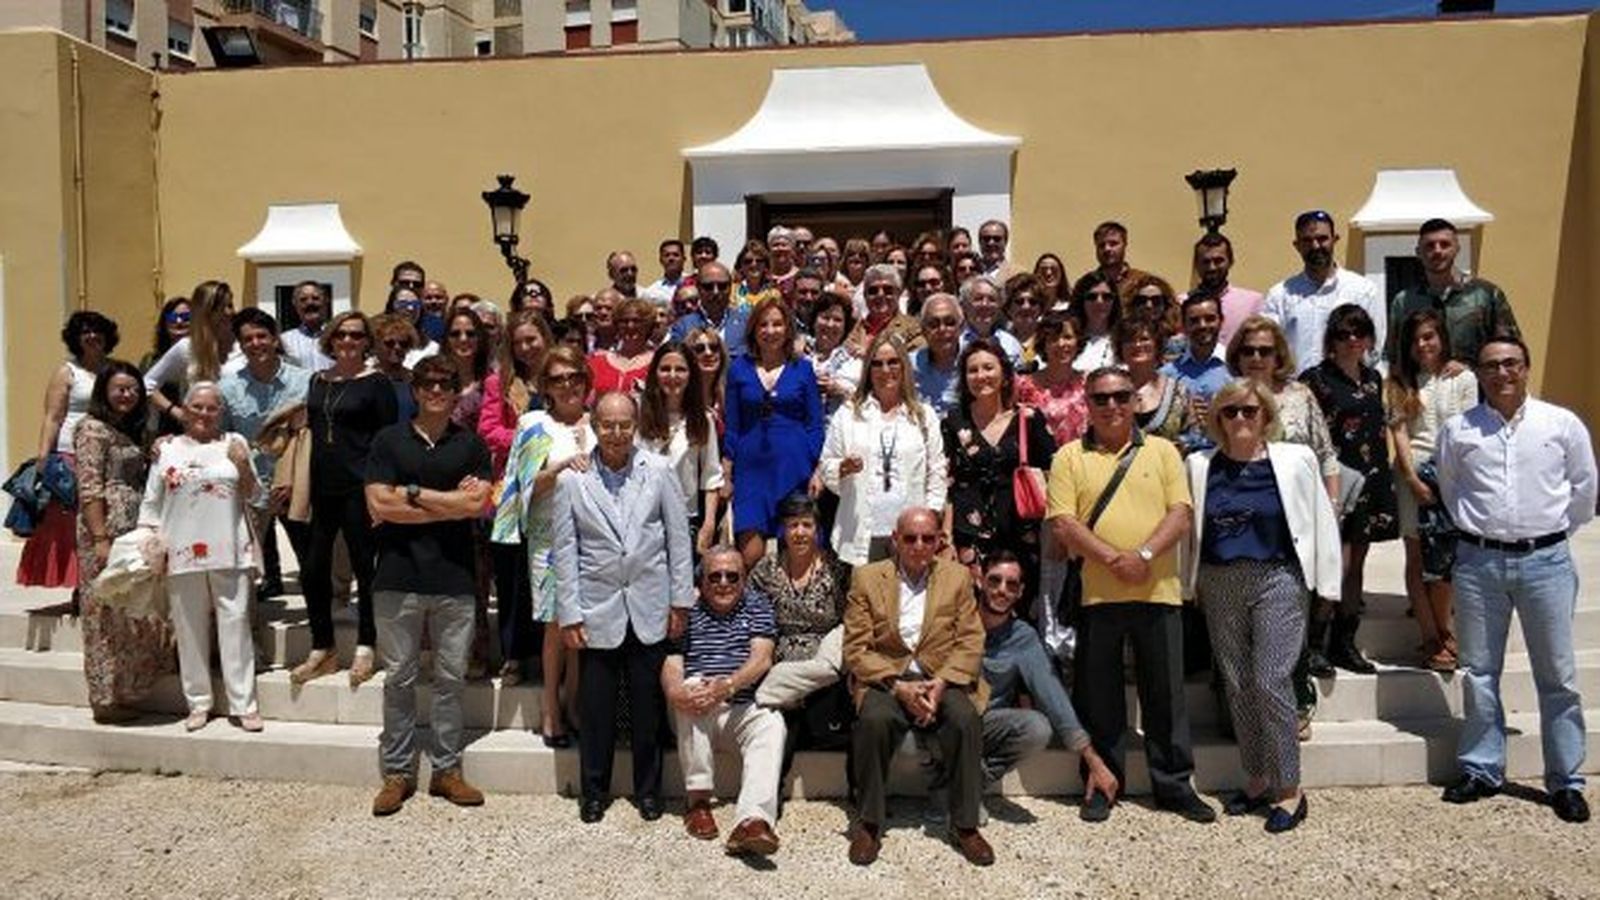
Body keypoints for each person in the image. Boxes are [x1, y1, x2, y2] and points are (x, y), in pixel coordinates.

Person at [1439, 336, 1595, 823]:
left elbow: (1584, 489)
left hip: (1545, 562)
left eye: (1511, 363)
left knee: (1558, 678)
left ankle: (1566, 779)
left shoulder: (1561, 424)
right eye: (1490, 365)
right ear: (1479, 374)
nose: (1501, 373)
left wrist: (1546, 533)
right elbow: (1450, 487)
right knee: (1480, 672)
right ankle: (1483, 769)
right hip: (1478, 563)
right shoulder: (1459, 429)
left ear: (1526, 368)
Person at [1046, 366, 1211, 824]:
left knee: (1167, 696)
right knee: (1100, 698)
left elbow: (1180, 514)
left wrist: (1141, 555)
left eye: (1121, 396)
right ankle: (1102, 782)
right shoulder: (1068, 457)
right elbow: (1063, 524)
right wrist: (1115, 560)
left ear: (1136, 402)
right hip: (1098, 596)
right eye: (1101, 398)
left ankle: (1175, 786)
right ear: (1088, 404)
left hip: (1158, 590)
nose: (1113, 406)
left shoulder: (1162, 452)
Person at [1182, 380, 1341, 834]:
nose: (1240, 419)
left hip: (1278, 577)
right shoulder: (1199, 464)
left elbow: (1319, 519)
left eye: (1249, 411)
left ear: (1266, 415)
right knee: (1236, 681)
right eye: (1230, 412)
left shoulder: (1295, 461)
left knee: (1271, 679)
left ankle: (1289, 788)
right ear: (1218, 419)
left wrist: (1329, 583)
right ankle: (1256, 777)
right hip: (1219, 578)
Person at [552, 392, 695, 825]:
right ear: (595, 426)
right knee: (596, 710)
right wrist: (570, 613)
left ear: (636, 425)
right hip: (597, 609)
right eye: (608, 424)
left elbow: (678, 539)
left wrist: (680, 600)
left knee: (648, 709)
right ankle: (594, 791)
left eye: (624, 424)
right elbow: (565, 550)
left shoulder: (659, 471)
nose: (617, 433)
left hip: (650, 605)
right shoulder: (572, 480)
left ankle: (648, 791)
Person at [364, 356, 494, 816]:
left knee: (450, 680)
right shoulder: (388, 440)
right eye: (428, 383)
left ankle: (447, 771)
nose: (437, 390)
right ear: (415, 390)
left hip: (454, 579)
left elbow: (478, 503)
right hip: (396, 577)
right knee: (398, 679)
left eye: (445, 383)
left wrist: (414, 493)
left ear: (456, 392)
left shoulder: (471, 445)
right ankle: (397, 773)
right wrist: (449, 503)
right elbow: (379, 503)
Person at [843, 508, 993, 868]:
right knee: (874, 721)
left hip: (942, 676)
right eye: (910, 538)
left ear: (939, 541)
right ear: (895, 540)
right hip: (887, 676)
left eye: (928, 538)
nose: (919, 546)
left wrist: (941, 683)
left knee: (964, 720)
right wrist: (898, 688)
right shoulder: (867, 578)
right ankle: (869, 822)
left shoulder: (957, 577)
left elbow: (971, 639)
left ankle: (965, 825)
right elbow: (856, 648)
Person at [1225, 314, 1340, 737]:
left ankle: (1297, 702)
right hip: (1241, 522)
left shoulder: (1300, 396)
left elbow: (1326, 454)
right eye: (1249, 350)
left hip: (1294, 521)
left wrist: (1328, 509)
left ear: (1279, 356)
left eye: (1265, 351)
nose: (1256, 358)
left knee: (1289, 619)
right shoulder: (1230, 394)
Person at [139, 382, 261, 733]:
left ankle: (244, 704)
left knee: (235, 625)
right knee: (189, 629)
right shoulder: (167, 449)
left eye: (212, 408)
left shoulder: (235, 443)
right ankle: (198, 703)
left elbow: (254, 494)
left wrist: (244, 466)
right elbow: (151, 502)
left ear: (220, 411)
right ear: (185, 409)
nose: (204, 414)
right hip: (180, 549)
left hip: (229, 546)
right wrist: (148, 541)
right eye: (197, 407)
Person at [494, 347, 593, 744]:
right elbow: (523, 486)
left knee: (582, 625)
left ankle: (575, 702)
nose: (567, 385)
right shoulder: (534, 423)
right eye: (557, 379)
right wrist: (559, 468)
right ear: (545, 387)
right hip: (549, 536)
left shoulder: (602, 421)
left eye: (574, 376)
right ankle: (550, 707)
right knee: (555, 624)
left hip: (593, 537)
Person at [293, 311, 398, 687]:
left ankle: (366, 644)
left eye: (356, 335)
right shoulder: (318, 380)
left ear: (366, 341)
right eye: (342, 335)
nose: (348, 342)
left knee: (364, 568)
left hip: (360, 487)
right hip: (322, 488)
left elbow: (388, 440)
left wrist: (382, 487)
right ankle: (323, 646)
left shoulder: (377, 383)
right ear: (331, 340)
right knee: (313, 568)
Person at [664, 547, 785, 855]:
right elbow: (672, 662)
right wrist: (675, 690)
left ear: (744, 579)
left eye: (732, 576)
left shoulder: (757, 605)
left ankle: (753, 821)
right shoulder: (686, 609)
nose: (723, 582)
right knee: (691, 687)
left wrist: (727, 686)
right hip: (695, 709)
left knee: (771, 722)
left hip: (739, 706)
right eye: (714, 576)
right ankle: (698, 802)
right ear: (701, 581)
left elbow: (761, 659)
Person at [1300, 303, 1398, 676]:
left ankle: (1345, 642)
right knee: (1333, 565)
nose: (1352, 340)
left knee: (1357, 564)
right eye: (1343, 333)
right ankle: (1314, 642)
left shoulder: (1374, 379)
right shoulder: (1315, 380)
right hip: (1335, 484)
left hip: (1370, 481)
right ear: (1331, 340)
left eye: (1359, 332)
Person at [75, 360, 172, 724]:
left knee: (128, 610)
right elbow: (89, 487)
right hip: (104, 530)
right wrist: (100, 538)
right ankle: (104, 697)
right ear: (104, 391)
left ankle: (127, 689)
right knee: (103, 614)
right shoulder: (92, 430)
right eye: (119, 388)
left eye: (132, 389)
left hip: (131, 527)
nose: (127, 395)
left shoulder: (126, 429)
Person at [977, 551, 1117, 795]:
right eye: (994, 580)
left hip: (987, 724)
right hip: (949, 720)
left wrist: (1092, 759)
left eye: (1011, 584)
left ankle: (974, 781)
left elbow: (1052, 696)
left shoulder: (1023, 637)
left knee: (1037, 727)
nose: (1002, 590)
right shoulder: (956, 621)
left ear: (1020, 592)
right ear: (980, 580)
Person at [1386, 309, 1478, 671]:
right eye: (1415, 339)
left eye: (1429, 337)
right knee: (1417, 558)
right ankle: (1430, 637)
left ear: (1441, 338)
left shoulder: (1463, 378)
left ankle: (1446, 633)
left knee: (1447, 559)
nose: (1423, 345)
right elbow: (1400, 433)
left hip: (1454, 476)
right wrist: (1412, 480)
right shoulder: (1398, 382)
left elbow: (1469, 430)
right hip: (1413, 475)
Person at [818, 332, 946, 567]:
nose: (885, 370)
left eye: (892, 362)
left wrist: (931, 515)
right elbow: (827, 465)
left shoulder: (923, 416)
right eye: (877, 363)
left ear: (904, 366)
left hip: (911, 535)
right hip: (860, 532)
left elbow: (936, 470)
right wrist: (842, 468)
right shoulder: (848, 414)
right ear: (868, 369)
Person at [942, 339, 1056, 591]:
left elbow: (1054, 473)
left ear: (1004, 374)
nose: (981, 376)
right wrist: (947, 538)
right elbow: (946, 483)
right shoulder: (953, 421)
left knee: (1019, 610)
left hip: (1021, 536)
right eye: (972, 370)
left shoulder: (1029, 418)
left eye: (988, 368)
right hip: (969, 538)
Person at [19, 311, 116, 597]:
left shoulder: (113, 369)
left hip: (105, 453)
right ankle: (77, 588)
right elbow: (52, 416)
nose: (92, 336)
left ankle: (95, 583)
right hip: (70, 454)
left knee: (101, 519)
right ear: (75, 338)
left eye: (97, 331)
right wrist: (43, 458)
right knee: (70, 524)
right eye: (85, 331)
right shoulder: (66, 372)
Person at [479, 309, 552, 683]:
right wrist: (532, 442)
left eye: (532, 340)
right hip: (511, 490)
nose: (526, 348)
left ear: (544, 338)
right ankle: (513, 654)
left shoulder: (561, 375)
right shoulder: (500, 382)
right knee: (511, 574)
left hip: (554, 488)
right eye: (518, 342)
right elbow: (488, 429)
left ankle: (548, 651)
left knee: (548, 571)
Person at [724, 296, 824, 569]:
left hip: (795, 466)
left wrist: (817, 469)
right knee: (750, 554)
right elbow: (733, 424)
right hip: (751, 469)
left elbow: (815, 424)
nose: (770, 331)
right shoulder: (738, 369)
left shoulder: (802, 368)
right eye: (763, 325)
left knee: (795, 551)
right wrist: (727, 471)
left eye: (777, 324)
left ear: (788, 329)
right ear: (754, 329)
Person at [219, 309, 311, 603]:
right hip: (251, 486)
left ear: (274, 339)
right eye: (248, 339)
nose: (256, 343)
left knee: (309, 560)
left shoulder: (306, 381)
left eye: (262, 336)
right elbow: (220, 438)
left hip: (294, 485)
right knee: (249, 563)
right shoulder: (228, 388)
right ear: (241, 344)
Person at [751, 494, 851, 709]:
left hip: (824, 667)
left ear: (817, 530)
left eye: (807, 525)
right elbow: (752, 614)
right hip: (777, 659)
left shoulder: (837, 569)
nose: (800, 533)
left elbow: (849, 619)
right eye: (792, 525)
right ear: (782, 530)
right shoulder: (766, 569)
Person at [1262, 210, 1387, 375]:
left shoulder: (1363, 291)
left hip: (1348, 392)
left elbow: (1374, 348)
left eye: (1322, 239)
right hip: (1296, 393)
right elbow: (1269, 348)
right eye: (1307, 240)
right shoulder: (1279, 296)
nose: (1315, 246)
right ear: (1297, 245)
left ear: (1335, 240)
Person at [1386, 218, 1519, 367]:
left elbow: (1511, 350)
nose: (1437, 250)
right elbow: (1393, 355)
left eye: (1445, 244)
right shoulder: (1404, 301)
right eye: (1430, 246)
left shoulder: (1486, 295)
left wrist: (1470, 368)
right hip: (1422, 387)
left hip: (1477, 387)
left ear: (1457, 248)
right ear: (1418, 252)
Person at [636, 341, 723, 555]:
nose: (672, 375)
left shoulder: (703, 419)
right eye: (665, 369)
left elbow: (711, 477)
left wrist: (709, 524)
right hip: (641, 519)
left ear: (691, 375)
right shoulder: (637, 414)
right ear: (655, 373)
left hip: (684, 519)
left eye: (680, 369)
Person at [144, 281, 241, 426]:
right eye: (221, 307)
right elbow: (147, 384)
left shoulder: (243, 345)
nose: (229, 312)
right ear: (205, 311)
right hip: (200, 434)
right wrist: (176, 412)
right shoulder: (187, 347)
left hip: (238, 433)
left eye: (230, 305)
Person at [1117, 314, 1201, 453]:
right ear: (1120, 348)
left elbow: (1193, 436)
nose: (1137, 345)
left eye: (1144, 339)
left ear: (1157, 345)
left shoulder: (1178, 392)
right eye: (1129, 340)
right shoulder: (1109, 391)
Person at [1016, 310, 1089, 446]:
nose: (1061, 344)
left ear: (1078, 341)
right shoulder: (1024, 385)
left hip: (1079, 462)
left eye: (1067, 337)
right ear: (1043, 344)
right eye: (1053, 339)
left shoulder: (1089, 383)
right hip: (1038, 464)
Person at [1185, 232, 1263, 347]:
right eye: (1206, 262)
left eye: (1218, 261)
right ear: (1196, 265)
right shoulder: (1182, 302)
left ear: (1231, 262)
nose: (1212, 267)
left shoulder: (1253, 302)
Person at [670, 262, 748, 357]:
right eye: (708, 287)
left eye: (722, 286)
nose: (716, 292)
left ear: (730, 288)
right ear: (698, 288)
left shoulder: (746, 323)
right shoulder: (683, 326)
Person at [845, 264, 922, 354]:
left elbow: (917, 360)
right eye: (873, 291)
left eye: (888, 290)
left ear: (898, 293)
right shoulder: (852, 329)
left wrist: (870, 356)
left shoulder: (914, 328)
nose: (880, 295)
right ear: (865, 296)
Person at [806, 292, 861, 416]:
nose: (830, 325)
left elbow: (867, 403)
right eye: (825, 317)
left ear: (845, 326)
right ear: (814, 320)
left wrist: (840, 391)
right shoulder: (798, 355)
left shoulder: (855, 361)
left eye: (837, 320)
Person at [910, 293, 964, 418]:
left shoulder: (975, 365)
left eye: (950, 323)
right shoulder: (908, 366)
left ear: (961, 327)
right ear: (923, 330)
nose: (942, 329)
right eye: (933, 324)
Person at [589, 297, 655, 396]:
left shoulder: (658, 362)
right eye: (624, 321)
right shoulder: (597, 362)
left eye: (637, 321)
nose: (630, 326)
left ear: (648, 325)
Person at [958, 274, 1023, 367]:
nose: (985, 304)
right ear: (965, 305)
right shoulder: (955, 342)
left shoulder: (1010, 344)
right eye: (978, 299)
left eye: (992, 299)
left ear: (999, 307)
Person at [369, 313, 419, 422]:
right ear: (374, 345)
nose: (397, 347)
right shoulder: (365, 379)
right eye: (389, 343)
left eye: (403, 343)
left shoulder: (416, 380)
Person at [1127, 274, 1186, 363]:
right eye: (1142, 300)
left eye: (1156, 300)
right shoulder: (1125, 337)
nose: (1149, 305)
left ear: (1166, 304)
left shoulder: (1177, 340)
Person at [1069, 271, 1120, 373]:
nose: (1099, 302)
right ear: (1081, 301)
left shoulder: (1123, 339)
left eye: (1107, 297)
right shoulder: (1067, 339)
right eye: (1092, 297)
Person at [280, 281, 334, 372]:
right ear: (295, 304)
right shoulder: (284, 340)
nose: (310, 303)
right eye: (303, 299)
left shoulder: (338, 336)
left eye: (315, 298)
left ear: (326, 301)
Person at [1091, 221, 1151, 301]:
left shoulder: (1142, 281)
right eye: (1101, 245)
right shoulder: (1087, 284)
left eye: (1113, 244)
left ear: (1125, 245)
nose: (1107, 249)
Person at [1004, 273, 1046, 372]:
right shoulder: (998, 341)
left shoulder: (1051, 340)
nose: (1026, 307)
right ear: (1008, 308)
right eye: (1019, 301)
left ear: (1041, 308)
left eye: (1033, 302)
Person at [640, 239, 688, 307]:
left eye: (676, 255)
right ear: (661, 260)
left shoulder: (696, 284)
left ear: (684, 259)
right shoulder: (651, 292)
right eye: (667, 255)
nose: (671, 258)